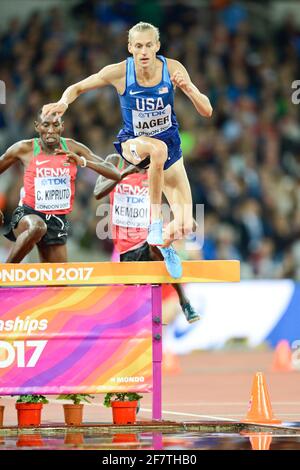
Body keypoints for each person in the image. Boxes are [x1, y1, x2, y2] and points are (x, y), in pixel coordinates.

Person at [42, 21, 212, 278]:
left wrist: (187, 88)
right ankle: (155, 222)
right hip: (134, 144)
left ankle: (163, 244)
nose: (144, 52)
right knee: (156, 150)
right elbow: (77, 87)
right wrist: (64, 102)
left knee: (187, 225)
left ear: (157, 46)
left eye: (148, 46)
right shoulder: (120, 72)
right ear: (130, 47)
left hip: (171, 148)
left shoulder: (173, 69)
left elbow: (207, 110)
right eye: (138, 46)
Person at [1, 111, 122, 263]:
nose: (51, 130)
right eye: (46, 125)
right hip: (28, 214)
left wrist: (83, 162)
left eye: (55, 125)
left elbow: (115, 173)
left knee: (59, 282)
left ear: (62, 127)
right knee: (37, 227)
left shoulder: (72, 147)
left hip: (57, 220)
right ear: (37, 126)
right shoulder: (24, 149)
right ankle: (5, 273)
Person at [94, 153, 200, 324]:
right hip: (125, 247)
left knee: (158, 243)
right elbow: (98, 192)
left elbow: (175, 199)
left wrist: (183, 218)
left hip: (148, 235)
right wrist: (126, 172)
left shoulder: (155, 169)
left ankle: (184, 301)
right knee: (131, 311)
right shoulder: (115, 161)